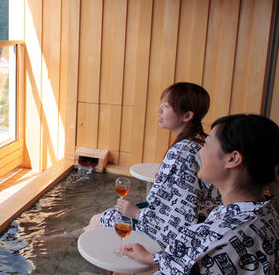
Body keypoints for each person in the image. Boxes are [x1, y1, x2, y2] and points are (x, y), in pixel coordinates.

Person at [68, 114, 279, 275]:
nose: (200, 152)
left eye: (206, 144)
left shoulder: (221, 236)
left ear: (232, 159)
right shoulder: (262, 214)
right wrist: (154, 258)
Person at [88, 82, 221, 248]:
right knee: (102, 218)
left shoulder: (183, 151)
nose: (158, 111)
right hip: (197, 221)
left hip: (178, 233)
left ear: (187, 116)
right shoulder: (200, 140)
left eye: (165, 107)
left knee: (97, 221)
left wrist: (136, 213)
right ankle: (73, 235)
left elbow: (181, 218)